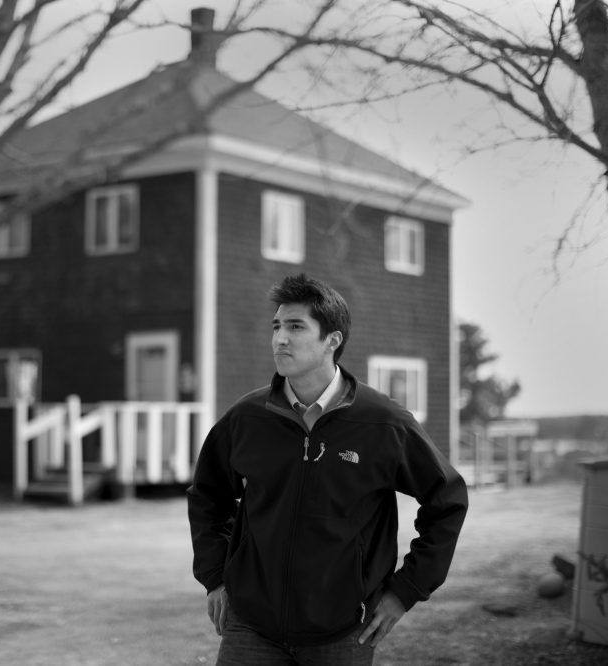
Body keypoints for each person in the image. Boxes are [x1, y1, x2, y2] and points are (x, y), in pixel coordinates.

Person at [187, 273, 469, 665]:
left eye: (296, 326)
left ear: (332, 340)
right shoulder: (248, 418)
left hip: (343, 631)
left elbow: (447, 500)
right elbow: (208, 495)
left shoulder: (383, 423)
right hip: (250, 627)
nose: (280, 338)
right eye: (277, 326)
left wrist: (405, 591)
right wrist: (216, 576)